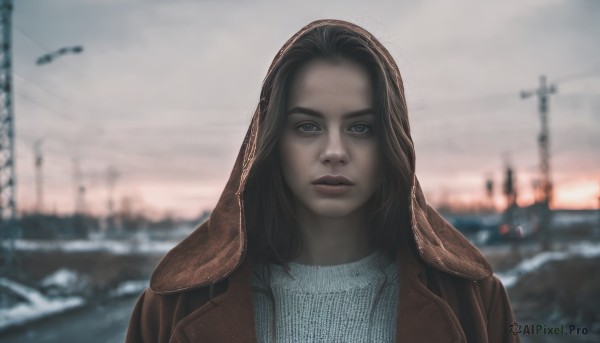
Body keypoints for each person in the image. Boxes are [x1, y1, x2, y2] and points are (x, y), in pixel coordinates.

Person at [126, 19, 519, 343]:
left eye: (361, 127)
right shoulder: (172, 307)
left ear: (392, 143)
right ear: (273, 140)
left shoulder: (474, 300)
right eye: (308, 126)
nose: (334, 150)